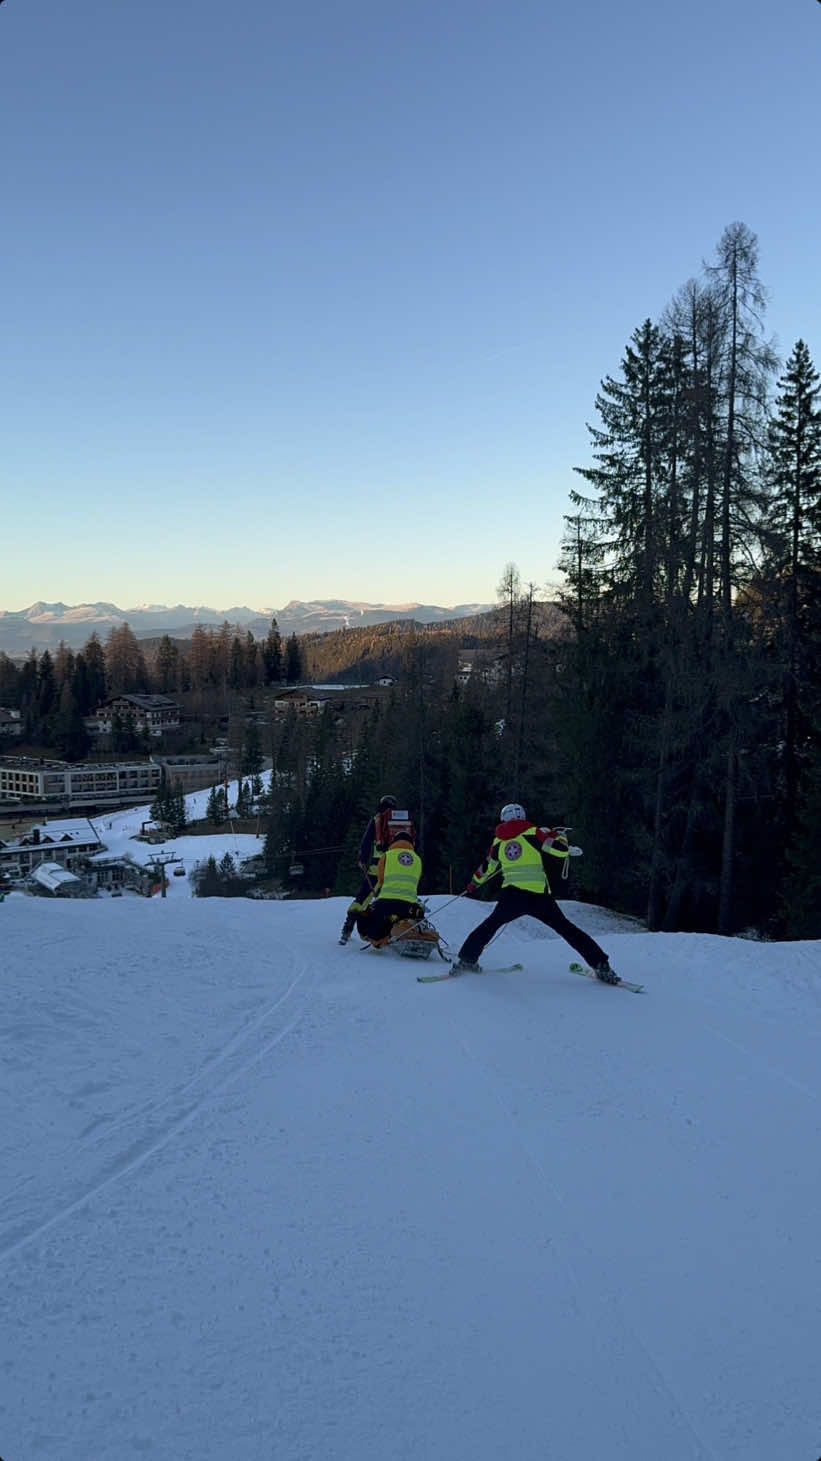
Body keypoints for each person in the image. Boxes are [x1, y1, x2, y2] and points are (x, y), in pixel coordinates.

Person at [452, 802, 619, 982]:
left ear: (504, 819)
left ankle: (467, 959)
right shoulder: (532, 832)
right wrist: (560, 836)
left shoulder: (498, 841)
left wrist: (472, 885)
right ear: (522, 816)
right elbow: (559, 851)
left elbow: (486, 868)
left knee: (490, 925)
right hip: (539, 896)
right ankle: (601, 964)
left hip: (512, 896)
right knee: (567, 929)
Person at [338, 796, 416, 943]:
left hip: (378, 866)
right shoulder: (403, 822)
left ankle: (348, 928)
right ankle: (399, 930)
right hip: (399, 868)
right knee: (395, 899)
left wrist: (362, 859)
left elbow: (367, 841)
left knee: (364, 897)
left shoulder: (377, 820)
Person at [355, 829, 425, 945]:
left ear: (394, 842)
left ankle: (379, 936)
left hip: (385, 903)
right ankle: (402, 927)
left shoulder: (387, 856)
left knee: (366, 918)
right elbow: (416, 881)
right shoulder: (417, 859)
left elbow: (381, 880)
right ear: (411, 843)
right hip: (410, 906)